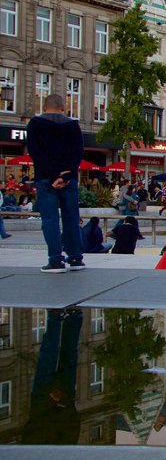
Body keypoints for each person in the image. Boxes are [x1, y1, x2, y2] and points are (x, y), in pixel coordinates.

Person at [27, 93, 85, 273]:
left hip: (45, 179)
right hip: (70, 180)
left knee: (50, 219)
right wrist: (65, 176)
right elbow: (78, 153)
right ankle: (75, 257)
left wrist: (53, 176)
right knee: (71, 218)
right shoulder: (73, 125)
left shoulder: (35, 124)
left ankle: (55, 260)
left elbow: (35, 153)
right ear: (63, 108)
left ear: (44, 108)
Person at [21, 308, 83, 445]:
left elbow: (31, 427)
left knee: (51, 355)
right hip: (58, 398)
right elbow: (73, 425)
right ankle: (68, 317)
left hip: (43, 398)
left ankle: (61, 317)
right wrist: (63, 402)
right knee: (64, 355)